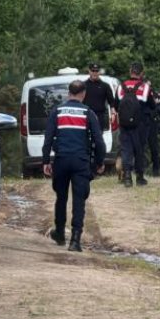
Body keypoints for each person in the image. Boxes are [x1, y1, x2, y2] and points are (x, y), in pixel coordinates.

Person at [41, 80, 107, 252]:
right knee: (79, 200)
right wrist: (99, 162)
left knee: (61, 198)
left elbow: (48, 138)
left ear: (68, 93)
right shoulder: (88, 113)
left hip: (61, 160)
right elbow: (99, 142)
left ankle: (60, 233)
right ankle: (75, 240)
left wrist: (46, 161)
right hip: (81, 161)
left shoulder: (57, 111)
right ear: (83, 94)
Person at [115, 63, 152, 187]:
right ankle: (140, 178)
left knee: (126, 150)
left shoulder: (121, 86)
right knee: (139, 150)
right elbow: (152, 105)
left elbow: (116, 105)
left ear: (130, 71)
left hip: (124, 124)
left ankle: (127, 178)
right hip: (140, 124)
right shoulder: (145, 87)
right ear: (141, 73)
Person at [83, 63, 117, 132]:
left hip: (100, 116)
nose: (95, 73)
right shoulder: (83, 85)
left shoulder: (105, 86)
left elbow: (111, 102)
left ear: (99, 72)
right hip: (86, 115)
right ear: (89, 71)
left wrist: (113, 113)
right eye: (93, 71)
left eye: (97, 71)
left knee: (98, 137)